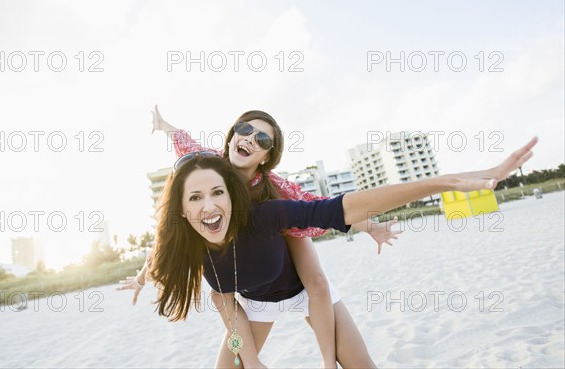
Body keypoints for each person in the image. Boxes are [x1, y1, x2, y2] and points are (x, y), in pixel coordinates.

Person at [147, 134, 536, 368]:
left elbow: (342, 207)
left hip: (304, 292)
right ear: (181, 209)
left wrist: (447, 181)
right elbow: (224, 301)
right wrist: (249, 358)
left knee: (359, 365)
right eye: (195, 197)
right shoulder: (186, 248)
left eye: (217, 192)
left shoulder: (266, 216)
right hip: (255, 305)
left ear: (232, 194)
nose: (209, 206)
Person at [121, 108, 401, 368]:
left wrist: (370, 226)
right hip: (257, 299)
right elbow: (169, 234)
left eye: (263, 138)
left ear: (266, 156)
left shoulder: (275, 190)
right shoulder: (210, 167)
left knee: (358, 359)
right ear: (232, 137)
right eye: (244, 129)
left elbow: (321, 207)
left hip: (298, 285)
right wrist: (163, 125)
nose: (250, 139)